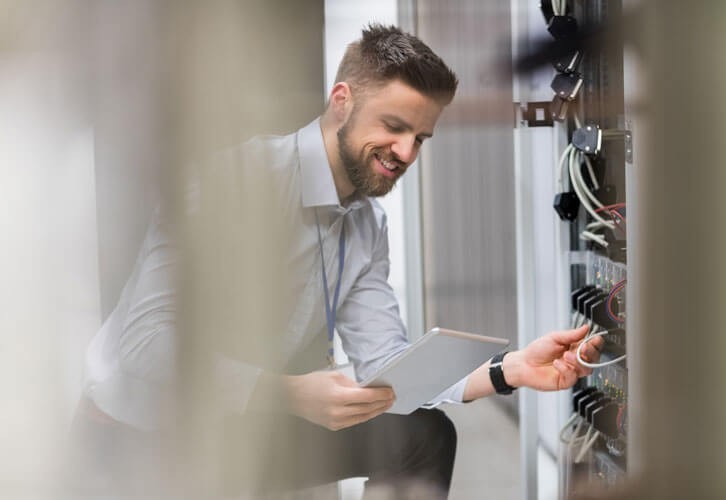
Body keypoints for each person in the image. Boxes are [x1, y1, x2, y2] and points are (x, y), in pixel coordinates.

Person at [76, 24, 601, 498]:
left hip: (244, 421)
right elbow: (143, 347)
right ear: (342, 101)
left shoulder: (365, 226)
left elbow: (386, 366)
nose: (406, 152)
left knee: (421, 435)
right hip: (140, 433)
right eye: (393, 126)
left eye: (420, 138)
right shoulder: (233, 181)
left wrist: (509, 371)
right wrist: (286, 393)